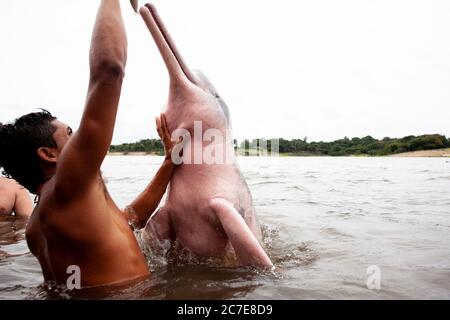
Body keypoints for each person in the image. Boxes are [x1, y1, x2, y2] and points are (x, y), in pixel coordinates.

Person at [0, 0, 178, 288]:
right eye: (68, 134)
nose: (79, 139)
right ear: (49, 154)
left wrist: (170, 161)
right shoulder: (68, 185)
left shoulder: (37, 226)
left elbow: (129, 220)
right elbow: (109, 69)